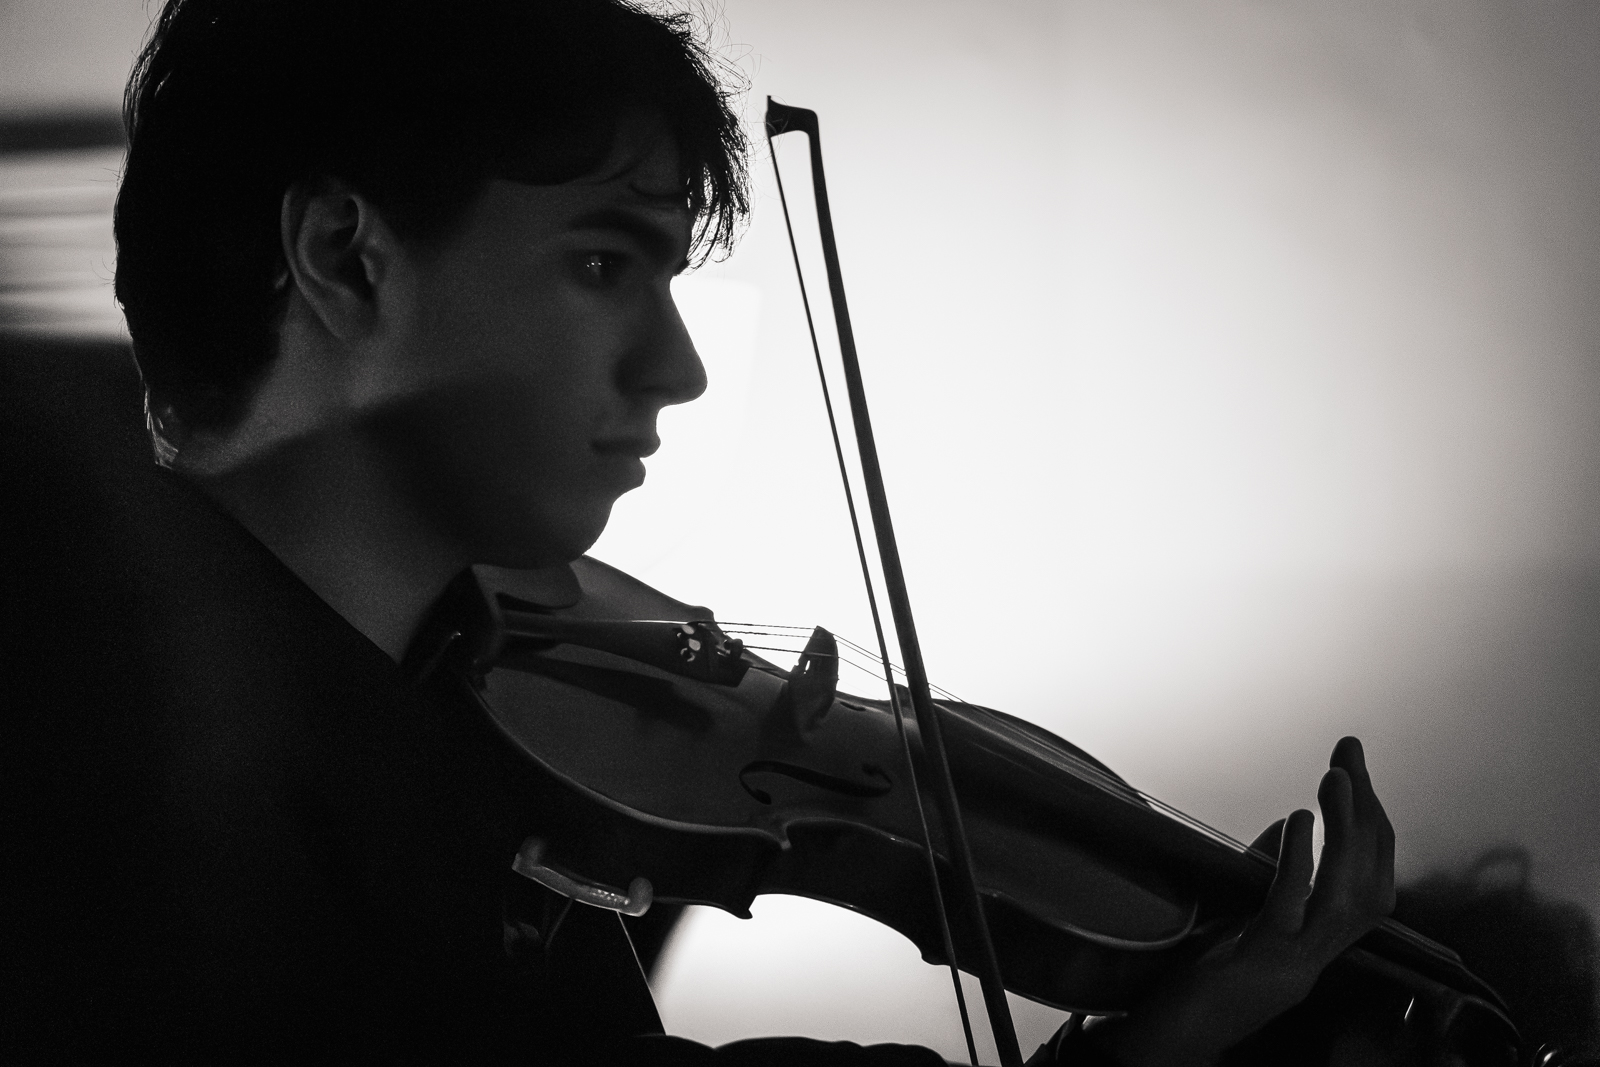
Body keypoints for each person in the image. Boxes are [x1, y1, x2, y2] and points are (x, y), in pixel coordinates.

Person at [2, 0, 1397, 1063]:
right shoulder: (121, 804)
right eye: (604, 263)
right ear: (347, 259)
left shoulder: (444, 756)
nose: (678, 369)